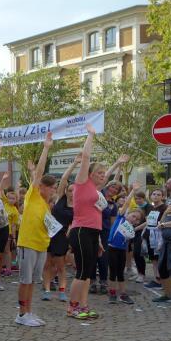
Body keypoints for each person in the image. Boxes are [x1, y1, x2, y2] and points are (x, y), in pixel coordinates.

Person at [15, 131, 56, 327]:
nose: (54, 190)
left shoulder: (47, 205)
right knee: (25, 280)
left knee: (33, 281)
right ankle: (21, 313)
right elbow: (38, 173)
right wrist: (46, 148)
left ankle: (29, 312)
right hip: (28, 244)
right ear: (42, 187)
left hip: (41, 245)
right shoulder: (33, 196)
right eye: (52, 187)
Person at [66, 124, 103, 320]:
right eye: (99, 173)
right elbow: (86, 157)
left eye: (104, 173)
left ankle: (83, 305)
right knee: (81, 271)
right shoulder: (81, 182)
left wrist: (99, 240)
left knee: (88, 272)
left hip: (93, 232)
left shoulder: (95, 190)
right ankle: (72, 307)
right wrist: (90, 135)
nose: (102, 176)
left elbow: (96, 214)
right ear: (90, 173)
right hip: (80, 230)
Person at [43, 156, 78, 302]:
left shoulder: (78, 206)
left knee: (61, 266)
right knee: (47, 264)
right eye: (69, 190)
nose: (71, 193)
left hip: (63, 237)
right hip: (49, 234)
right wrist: (75, 163)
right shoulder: (60, 199)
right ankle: (47, 290)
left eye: (74, 191)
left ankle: (62, 291)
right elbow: (64, 179)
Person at [106, 196, 143, 304]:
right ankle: (112, 293)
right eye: (133, 216)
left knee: (120, 273)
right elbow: (126, 204)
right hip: (112, 248)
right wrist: (133, 192)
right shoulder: (120, 218)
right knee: (112, 272)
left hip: (122, 251)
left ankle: (123, 294)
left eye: (137, 219)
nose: (134, 219)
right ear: (128, 214)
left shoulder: (131, 229)